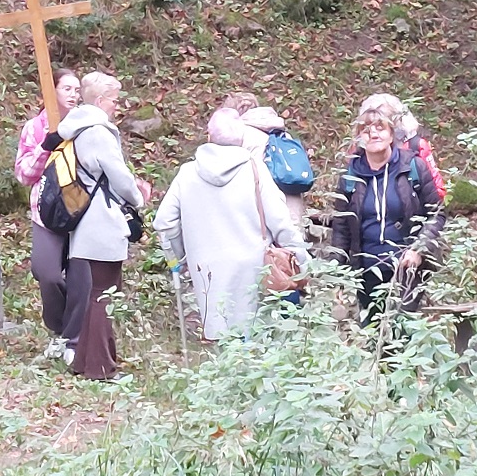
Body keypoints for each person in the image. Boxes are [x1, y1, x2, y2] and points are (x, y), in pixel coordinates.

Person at [154, 107, 309, 341]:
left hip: (206, 271)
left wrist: (180, 257)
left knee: (223, 339)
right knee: (256, 341)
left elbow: (164, 222)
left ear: (209, 136)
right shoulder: (255, 170)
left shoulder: (187, 173)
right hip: (253, 269)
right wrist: (303, 260)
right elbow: (281, 222)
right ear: (241, 138)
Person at [60, 71, 151, 380]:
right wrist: (137, 197)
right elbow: (119, 176)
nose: (117, 105)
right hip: (102, 220)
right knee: (105, 294)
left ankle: (84, 361)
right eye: (114, 99)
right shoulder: (98, 132)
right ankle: (101, 368)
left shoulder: (77, 128)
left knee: (97, 292)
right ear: (100, 101)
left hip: (86, 219)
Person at [331, 99, 444, 323]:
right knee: (372, 332)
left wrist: (418, 249)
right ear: (359, 138)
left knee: (402, 330)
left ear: (392, 134)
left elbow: (437, 214)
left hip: (406, 270)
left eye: (380, 128)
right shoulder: (350, 176)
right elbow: (341, 229)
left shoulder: (413, 167)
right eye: (366, 130)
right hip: (366, 273)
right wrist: (337, 275)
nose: (373, 134)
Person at [14, 69, 90, 360]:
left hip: (82, 211)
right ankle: (59, 330)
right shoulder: (35, 127)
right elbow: (24, 174)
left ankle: (73, 340)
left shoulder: (85, 124)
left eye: (77, 89)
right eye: (67, 88)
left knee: (82, 279)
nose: (73, 94)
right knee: (46, 273)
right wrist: (46, 146)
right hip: (46, 211)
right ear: (51, 90)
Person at [242, 104, 315, 238]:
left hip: (261, 218)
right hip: (291, 211)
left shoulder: (243, 135)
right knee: (293, 242)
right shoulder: (284, 135)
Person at [359, 92, 447, 202]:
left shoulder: (415, 145)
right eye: (368, 124)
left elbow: (437, 189)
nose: (374, 132)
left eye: (380, 123)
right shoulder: (363, 145)